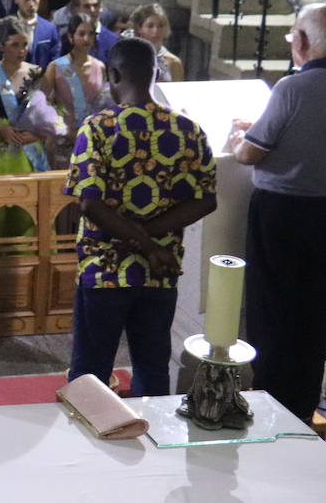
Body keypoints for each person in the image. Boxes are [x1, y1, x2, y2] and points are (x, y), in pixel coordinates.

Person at [228, 3, 326, 423]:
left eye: (293, 38)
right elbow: (317, 135)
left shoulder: (291, 89)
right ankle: (302, 404)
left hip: (282, 214)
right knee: (310, 313)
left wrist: (239, 136)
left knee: (272, 311)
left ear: (304, 41)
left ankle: (271, 403)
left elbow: (251, 153)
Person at [65, 37, 217, 396]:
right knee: (152, 367)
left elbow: (90, 203)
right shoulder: (188, 130)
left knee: (90, 373)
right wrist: (152, 243)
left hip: (103, 271)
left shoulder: (98, 127)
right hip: (159, 272)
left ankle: (85, 446)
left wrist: (142, 242)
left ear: (113, 74)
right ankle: (153, 444)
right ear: (156, 73)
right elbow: (205, 200)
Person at [0, 16, 47, 176]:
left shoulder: (36, 73)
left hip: (28, 149)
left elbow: (46, 113)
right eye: (15, 45)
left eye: (25, 44)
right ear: (1, 46)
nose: (21, 50)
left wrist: (36, 133)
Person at [40, 14, 109, 169]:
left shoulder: (100, 67)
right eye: (81, 34)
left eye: (91, 34)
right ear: (71, 37)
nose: (86, 39)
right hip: (62, 137)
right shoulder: (56, 67)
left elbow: (103, 102)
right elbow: (42, 103)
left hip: (91, 137)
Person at [129, 4, 184, 83]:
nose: (156, 31)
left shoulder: (174, 62)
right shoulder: (129, 57)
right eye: (150, 26)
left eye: (161, 26)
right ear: (139, 28)